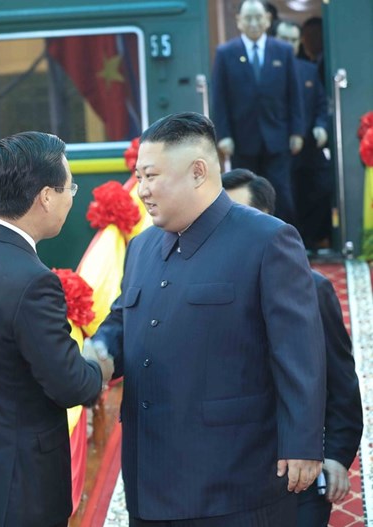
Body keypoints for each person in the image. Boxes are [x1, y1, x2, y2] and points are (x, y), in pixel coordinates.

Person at [89, 112, 326, 526]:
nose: (141, 190)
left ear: (198, 172)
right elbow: (122, 321)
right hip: (151, 478)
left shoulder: (267, 240)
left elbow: (299, 353)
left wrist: (302, 443)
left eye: (150, 176)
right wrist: (97, 354)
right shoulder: (143, 246)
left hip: (234, 483)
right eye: (138, 177)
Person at [0, 131, 113, 527]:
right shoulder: (33, 280)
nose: (72, 197)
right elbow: (71, 385)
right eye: (70, 187)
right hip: (20, 492)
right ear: (46, 196)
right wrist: (97, 359)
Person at [222, 168, 363, 527]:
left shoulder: (311, 289)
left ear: (266, 219)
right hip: (226, 477)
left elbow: (341, 383)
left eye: (237, 215)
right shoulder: (205, 291)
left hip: (297, 477)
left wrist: (336, 456)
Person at [211, 0, 304, 224]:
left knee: (281, 192)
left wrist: (297, 132)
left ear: (268, 20)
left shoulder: (282, 51)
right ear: (239, 22)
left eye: (258, 17)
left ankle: (285, 240)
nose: (253, 23)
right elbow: (219, 98)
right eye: (248, 18)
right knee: (245, 194)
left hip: (278, 135)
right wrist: (223, 136)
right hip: (242, 138)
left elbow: (294, 94)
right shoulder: (225, 53)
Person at [275, 20, 332, 250]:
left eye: (293, 40)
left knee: (322, 186)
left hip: (309, 145)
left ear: (299, 43)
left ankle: (311, 240)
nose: (288, 45)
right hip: (279, 147)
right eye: (284, 40)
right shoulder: (266, 72)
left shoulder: (308, 69)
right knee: (287, 197)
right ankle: (291, 244)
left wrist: (321, 126)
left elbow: (320, 103)